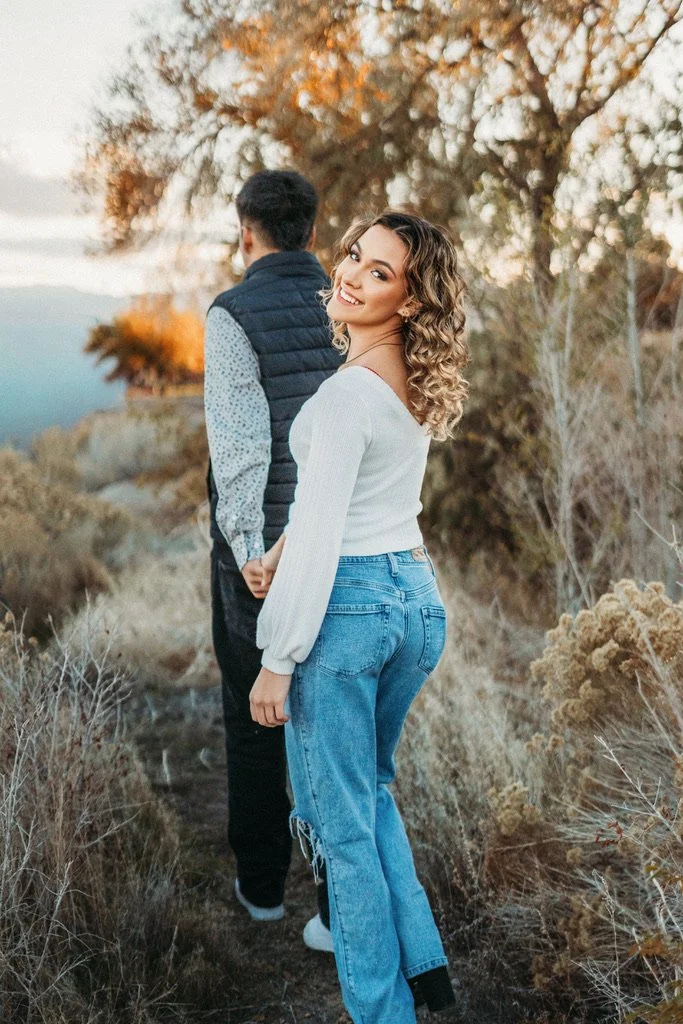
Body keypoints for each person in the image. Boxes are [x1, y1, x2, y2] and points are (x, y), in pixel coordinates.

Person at [249, 210, 470, 1022]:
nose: (349, 274)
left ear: (409, 302)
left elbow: (333, 531)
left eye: (379, 272)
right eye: (353, 255)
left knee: (340, 832)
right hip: (412, 598)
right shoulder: (403, 383)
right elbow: (346, 506)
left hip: (351, 612)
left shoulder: (347, 395)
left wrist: (278, 656)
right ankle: (424, 974)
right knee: (369, 795)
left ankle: (382, 1014)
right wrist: (279, 548)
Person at [204, 169, 340, 947]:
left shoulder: (232, 314)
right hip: (342, 543)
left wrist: (250, 553)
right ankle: (333, 901)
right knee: (327, 721)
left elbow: (241, 448)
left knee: (251, 715)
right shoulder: (353, 303)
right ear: (313, 234)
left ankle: (261, 889)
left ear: (246, 230)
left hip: (262, 556)